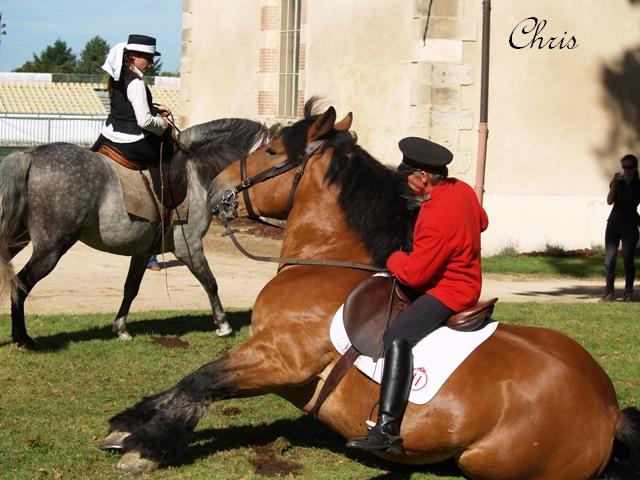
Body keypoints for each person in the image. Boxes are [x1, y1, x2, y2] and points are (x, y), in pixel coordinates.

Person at [346, 137, 489, 454]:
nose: (405, 184)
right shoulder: (462, 189)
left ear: (422, 177)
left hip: (450, 291)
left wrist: (392, 257)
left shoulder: (435, 214)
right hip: (467, 281)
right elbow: (483, 221)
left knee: (398, 335)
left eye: (406, 177)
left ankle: (387, 429)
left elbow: (414, 274)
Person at [92, 34, 173, 169]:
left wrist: (155, 109)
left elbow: (126, 106)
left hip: (108, 134)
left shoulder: (117, 76)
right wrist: (163, 124)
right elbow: (145, 121)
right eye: (148, 58)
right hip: (132, 140)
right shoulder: (136, 82)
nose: (151, 63)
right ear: (133, 56)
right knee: (173, 151)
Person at [602, 154, 640, 302]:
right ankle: (609, 292)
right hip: (613, 224)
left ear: (635, 168)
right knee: (609, 260)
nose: (627, 170)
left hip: (630, 225)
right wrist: (614, 184)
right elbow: (609, 201)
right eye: (624, 167)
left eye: (630, 167)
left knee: (628, 259)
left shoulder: (638, 185)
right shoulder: (618, 183)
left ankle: (628, 292)